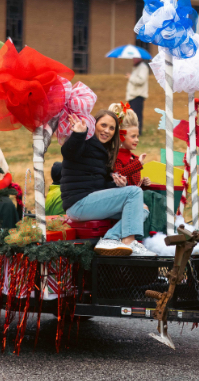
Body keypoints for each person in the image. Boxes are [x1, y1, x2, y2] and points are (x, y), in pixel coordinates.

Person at [61, 109, 156, 256]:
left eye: (112, 128)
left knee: (142, 209)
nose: (107, 131)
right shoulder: (84, 141)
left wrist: (116, 184)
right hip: (78, 203)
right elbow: (68, 152)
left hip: (91, 202)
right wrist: (79, 134)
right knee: (134, 192)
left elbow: (100, 185)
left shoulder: (104, 152)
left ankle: (110, 238)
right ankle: (129, 242)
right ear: (94, 124)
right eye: (103, 125)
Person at [108, 103, 151, 188]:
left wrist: (143, 184)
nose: (137, 140)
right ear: (121, 136)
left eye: (137, 136)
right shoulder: (115, 157)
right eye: (133, 136)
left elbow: (134, 185)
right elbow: (118, 175)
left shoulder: (134, 158)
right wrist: (137, 164)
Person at [125, 58, 149, 134]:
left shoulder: (143, 67)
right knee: (131, 115)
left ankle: (137, 132)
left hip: (138, 95)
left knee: (137, 115)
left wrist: (130, 77)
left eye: (135, 58)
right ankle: (133, 131)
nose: (133, 59)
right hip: (132, 95)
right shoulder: (136, 67)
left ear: (140, 58)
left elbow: (141, 81)